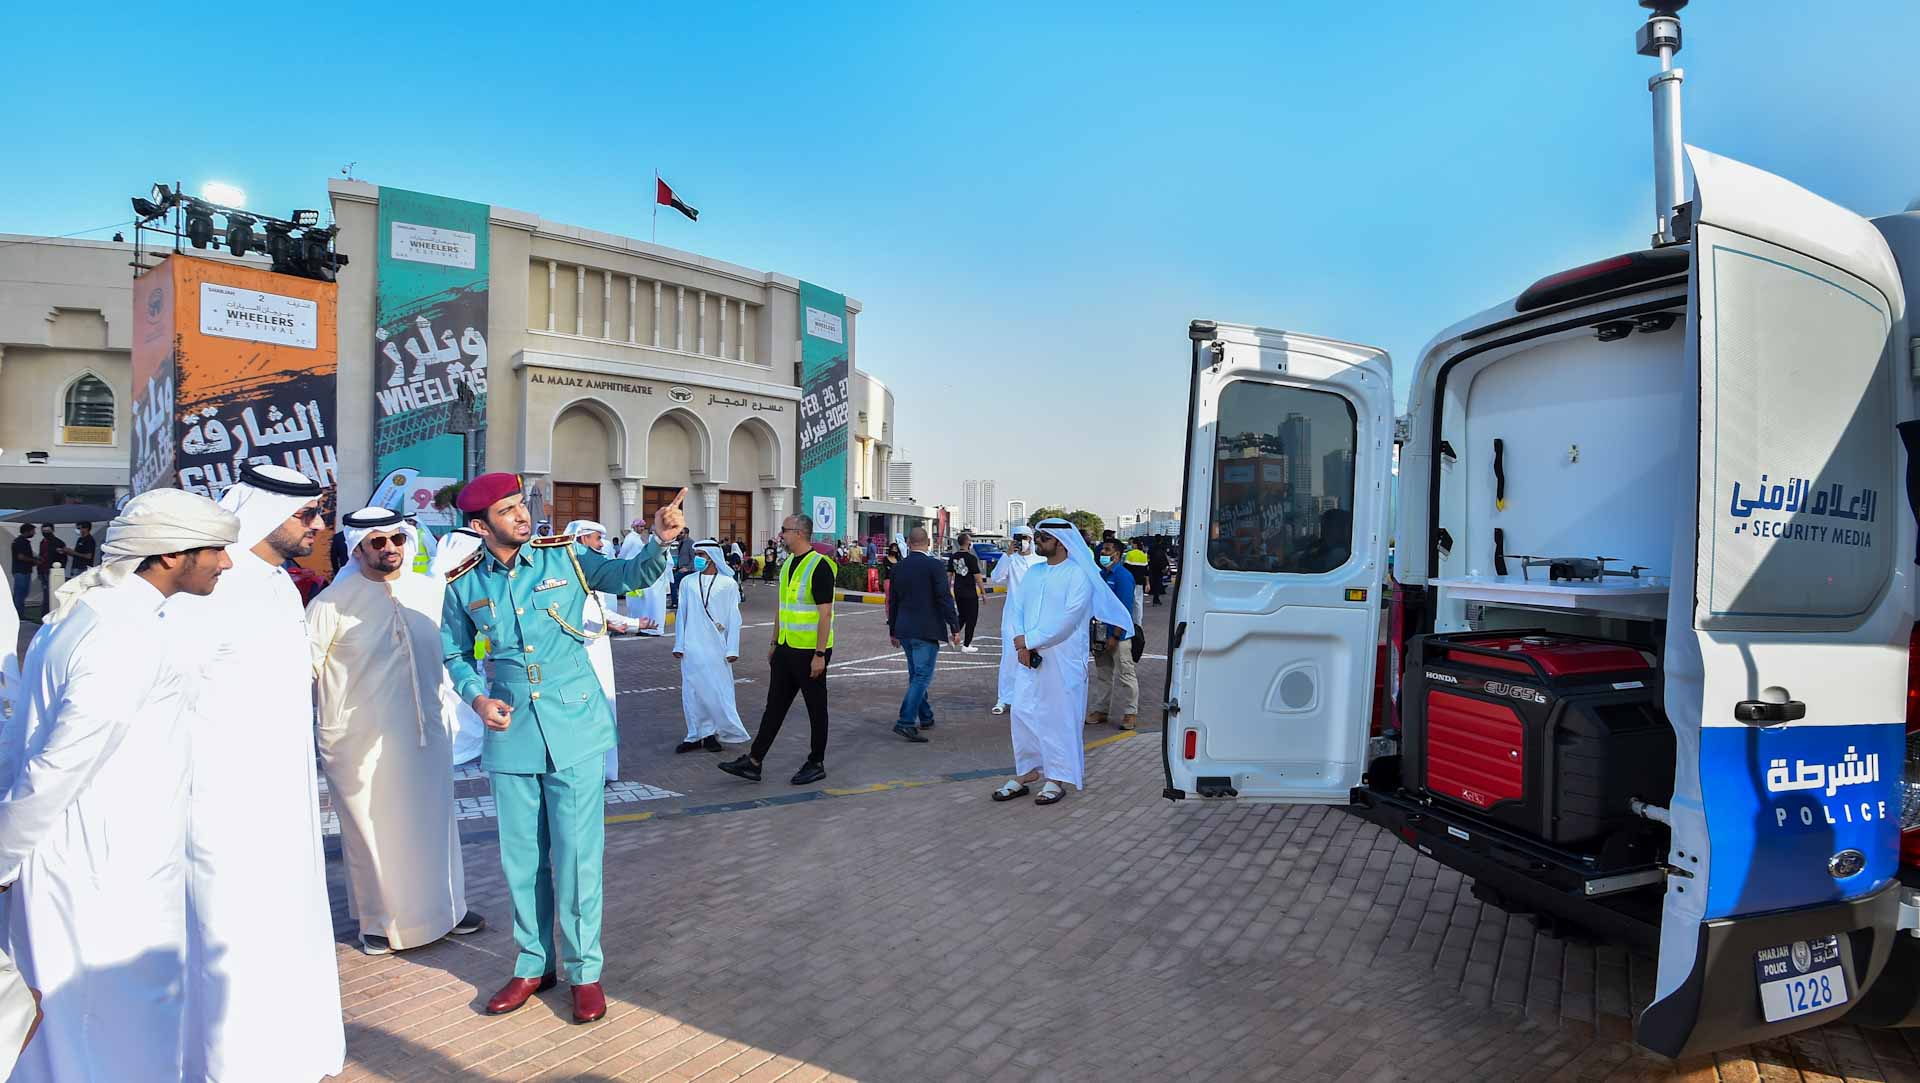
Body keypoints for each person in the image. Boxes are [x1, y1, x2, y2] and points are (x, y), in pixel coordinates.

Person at [0, 489, 237, 1083]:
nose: (226, 564)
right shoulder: (121, 634)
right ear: (168, 555)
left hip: (111, 855)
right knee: (104, 1025)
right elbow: (58, 763)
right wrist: (4, 852)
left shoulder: (100, 615)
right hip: (98, 866)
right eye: (214, 551)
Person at [442, 474, 683, 1025]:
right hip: (511, 734)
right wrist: (477, 699)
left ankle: (584, 973)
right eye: (507, 511)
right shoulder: (464, 582)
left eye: (520, 505)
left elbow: (630, 575)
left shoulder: (567, 557)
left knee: (576, 860)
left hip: (574, 727)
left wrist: (662, 542)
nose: (522, 516)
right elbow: (454, 651)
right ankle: (533, 965)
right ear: (480, 526)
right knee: (522, 862)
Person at [165, 464, 344, 1082]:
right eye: (307, 514)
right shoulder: (216, 584)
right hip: (224, 795)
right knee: (230, 932)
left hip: (281, 789)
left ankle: (286, 1051)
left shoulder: (275, 584)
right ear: (267, 513)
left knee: (281, 922)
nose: (318, 525)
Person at [309, 507, 486, 958]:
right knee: (371, 830)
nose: (390, 549)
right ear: (358, 547)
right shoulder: (330, 604)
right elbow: (301, 673)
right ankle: (377, 922)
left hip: (424, 734)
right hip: (358, 744)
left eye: (397, 540)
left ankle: (446, 910)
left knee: (433, 823)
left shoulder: (426, 592)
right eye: (378, 542)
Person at [989, 519, 1132, 806]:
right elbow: (1017, 607)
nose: (1037, 541)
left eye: (1044, 537)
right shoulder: (1034, 573)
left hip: (1062, 660)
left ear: (1061, 541)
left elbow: (1068, 620)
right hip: (1028, 656)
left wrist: (1028, 642)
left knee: (1058, 717)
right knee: (1023, 713)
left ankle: (1057, 777)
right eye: (1038, 536)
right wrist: (1021, 641)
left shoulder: (1078, 575)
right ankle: (1027, 772)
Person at [718, 514, 836, 786]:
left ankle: (816, 762)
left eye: (784, 531)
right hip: (785, 648)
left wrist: (819, 655)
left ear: (800, 533)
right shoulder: (787, 566)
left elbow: (825, 615)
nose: (781, 535)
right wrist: (773, 643)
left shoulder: (819, 566)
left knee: (816, 708)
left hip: (810, 653)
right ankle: (754, 761)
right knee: (775, 706)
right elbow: (782, 608)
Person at [565, 519, 654, 783]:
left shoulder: (590, 576)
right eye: (595, 540)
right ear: (582, 540)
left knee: (603, 709)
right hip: (578, 654)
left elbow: (601, 612)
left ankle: (603, 769)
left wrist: (633, 624)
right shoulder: (569, 577)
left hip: (598, 651)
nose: (600, 546)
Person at [673, 539, 751, 753]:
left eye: (701, 555)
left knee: (717, 689)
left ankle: (714, 733)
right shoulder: (688, 582)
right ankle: (695, 734)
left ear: (712, 556)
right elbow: (682, 614)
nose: (697, 558)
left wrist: (732, 648)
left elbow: (734, 618)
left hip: (718, 646)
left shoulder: (728, 584)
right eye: (696, 554)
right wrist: (679, 644)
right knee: (692, 690)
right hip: (691, 645)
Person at [886, 527, 962, 743]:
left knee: (915, 675)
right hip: (926, 630)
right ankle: (905, 722)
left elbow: (893, 601)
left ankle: (926, 716)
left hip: (905, 630)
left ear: (909, 543)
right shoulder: (934, 566)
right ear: (928, 542)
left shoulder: (898, 568)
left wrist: (893, 630)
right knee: (921, 677)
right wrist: (954, 627)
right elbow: (944, 598)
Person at [429, 527, 488, 767]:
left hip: (473, 651)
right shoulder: (435, 581)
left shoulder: (473, 577)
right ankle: (458, 748)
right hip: (446, 657)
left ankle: (472, 743)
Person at [987, 525, 1045, 715]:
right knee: (1010, 657)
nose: (1023, 542)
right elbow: (996, 578)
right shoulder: (1011, 560)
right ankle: (1004, 698)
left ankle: (1032, 698)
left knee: (1037, 656)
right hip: (1013, 616)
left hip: (1036, 615)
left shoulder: (1041, 560)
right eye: (1018, 538)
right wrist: (1007, 555)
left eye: (1026, 538)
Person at [1090, 538, 1140, 731]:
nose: (1103, 554)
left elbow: (1124, 609)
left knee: (1126, 675)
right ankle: (1101, 710)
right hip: (1101, 635)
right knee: (1103, 675)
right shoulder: (1102, 575)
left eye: (1107, 550)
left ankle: (1130, 713)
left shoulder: (1123, 576)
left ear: (1117, 555)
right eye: (1102, 550)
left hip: (1119, 636)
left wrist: (1115, 636)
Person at [617, 519, 669, 636]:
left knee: (651, 603)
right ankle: (639, 626)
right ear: (634, 527)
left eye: (643, 527)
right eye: (640, 526)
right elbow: (623, 554)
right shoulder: (631, 538)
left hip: (652, 575)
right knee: (636, 602)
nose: (642, 529)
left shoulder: (656, 540)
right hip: (636, 572)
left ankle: (651, 628)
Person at [947, 531, 985, 653]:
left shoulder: (953, 557)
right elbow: (977, 577)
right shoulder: (971, 558)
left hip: (958, 591)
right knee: (971, 618)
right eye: (970, 540)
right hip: (969, 592)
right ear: (967, 542)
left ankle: (954, 636)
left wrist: (948, 590)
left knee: (962, 616)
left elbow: (949, 575)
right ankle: (966, 645)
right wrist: (983, 592)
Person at [33, 530, 67, 611]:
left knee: (51, 592)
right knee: (46, 592)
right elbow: (42, 555)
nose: (45, 532)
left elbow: (63, 556)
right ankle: (45, 611)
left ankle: (50, 610)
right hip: (43, 570)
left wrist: (61, 568)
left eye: (47, 530)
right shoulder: (42, 542)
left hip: (52, 571)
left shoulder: (58, 542)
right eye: (43, 530)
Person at [9, 526, 34, 613]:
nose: (34, 533)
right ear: (27, 532)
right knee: (20, 593)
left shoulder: (23, 542)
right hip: (21, 571)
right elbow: (21, 556)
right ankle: (17, 613)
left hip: (24, 570)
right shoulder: (20, 542)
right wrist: (34, 561)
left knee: (23, 593)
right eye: (32, 531)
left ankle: (20, 613)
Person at [1147, 540, 1170, 607]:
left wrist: (1148, 564)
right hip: (1160, 569)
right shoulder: (1162, 548)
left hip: (1152, 568)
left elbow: (1148, 557)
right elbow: (1164, 558)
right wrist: (1166, 567)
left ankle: (1155, 598)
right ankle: (1156, 599)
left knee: (1154, 583)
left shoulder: (1151, 548)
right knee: (1158, 583)